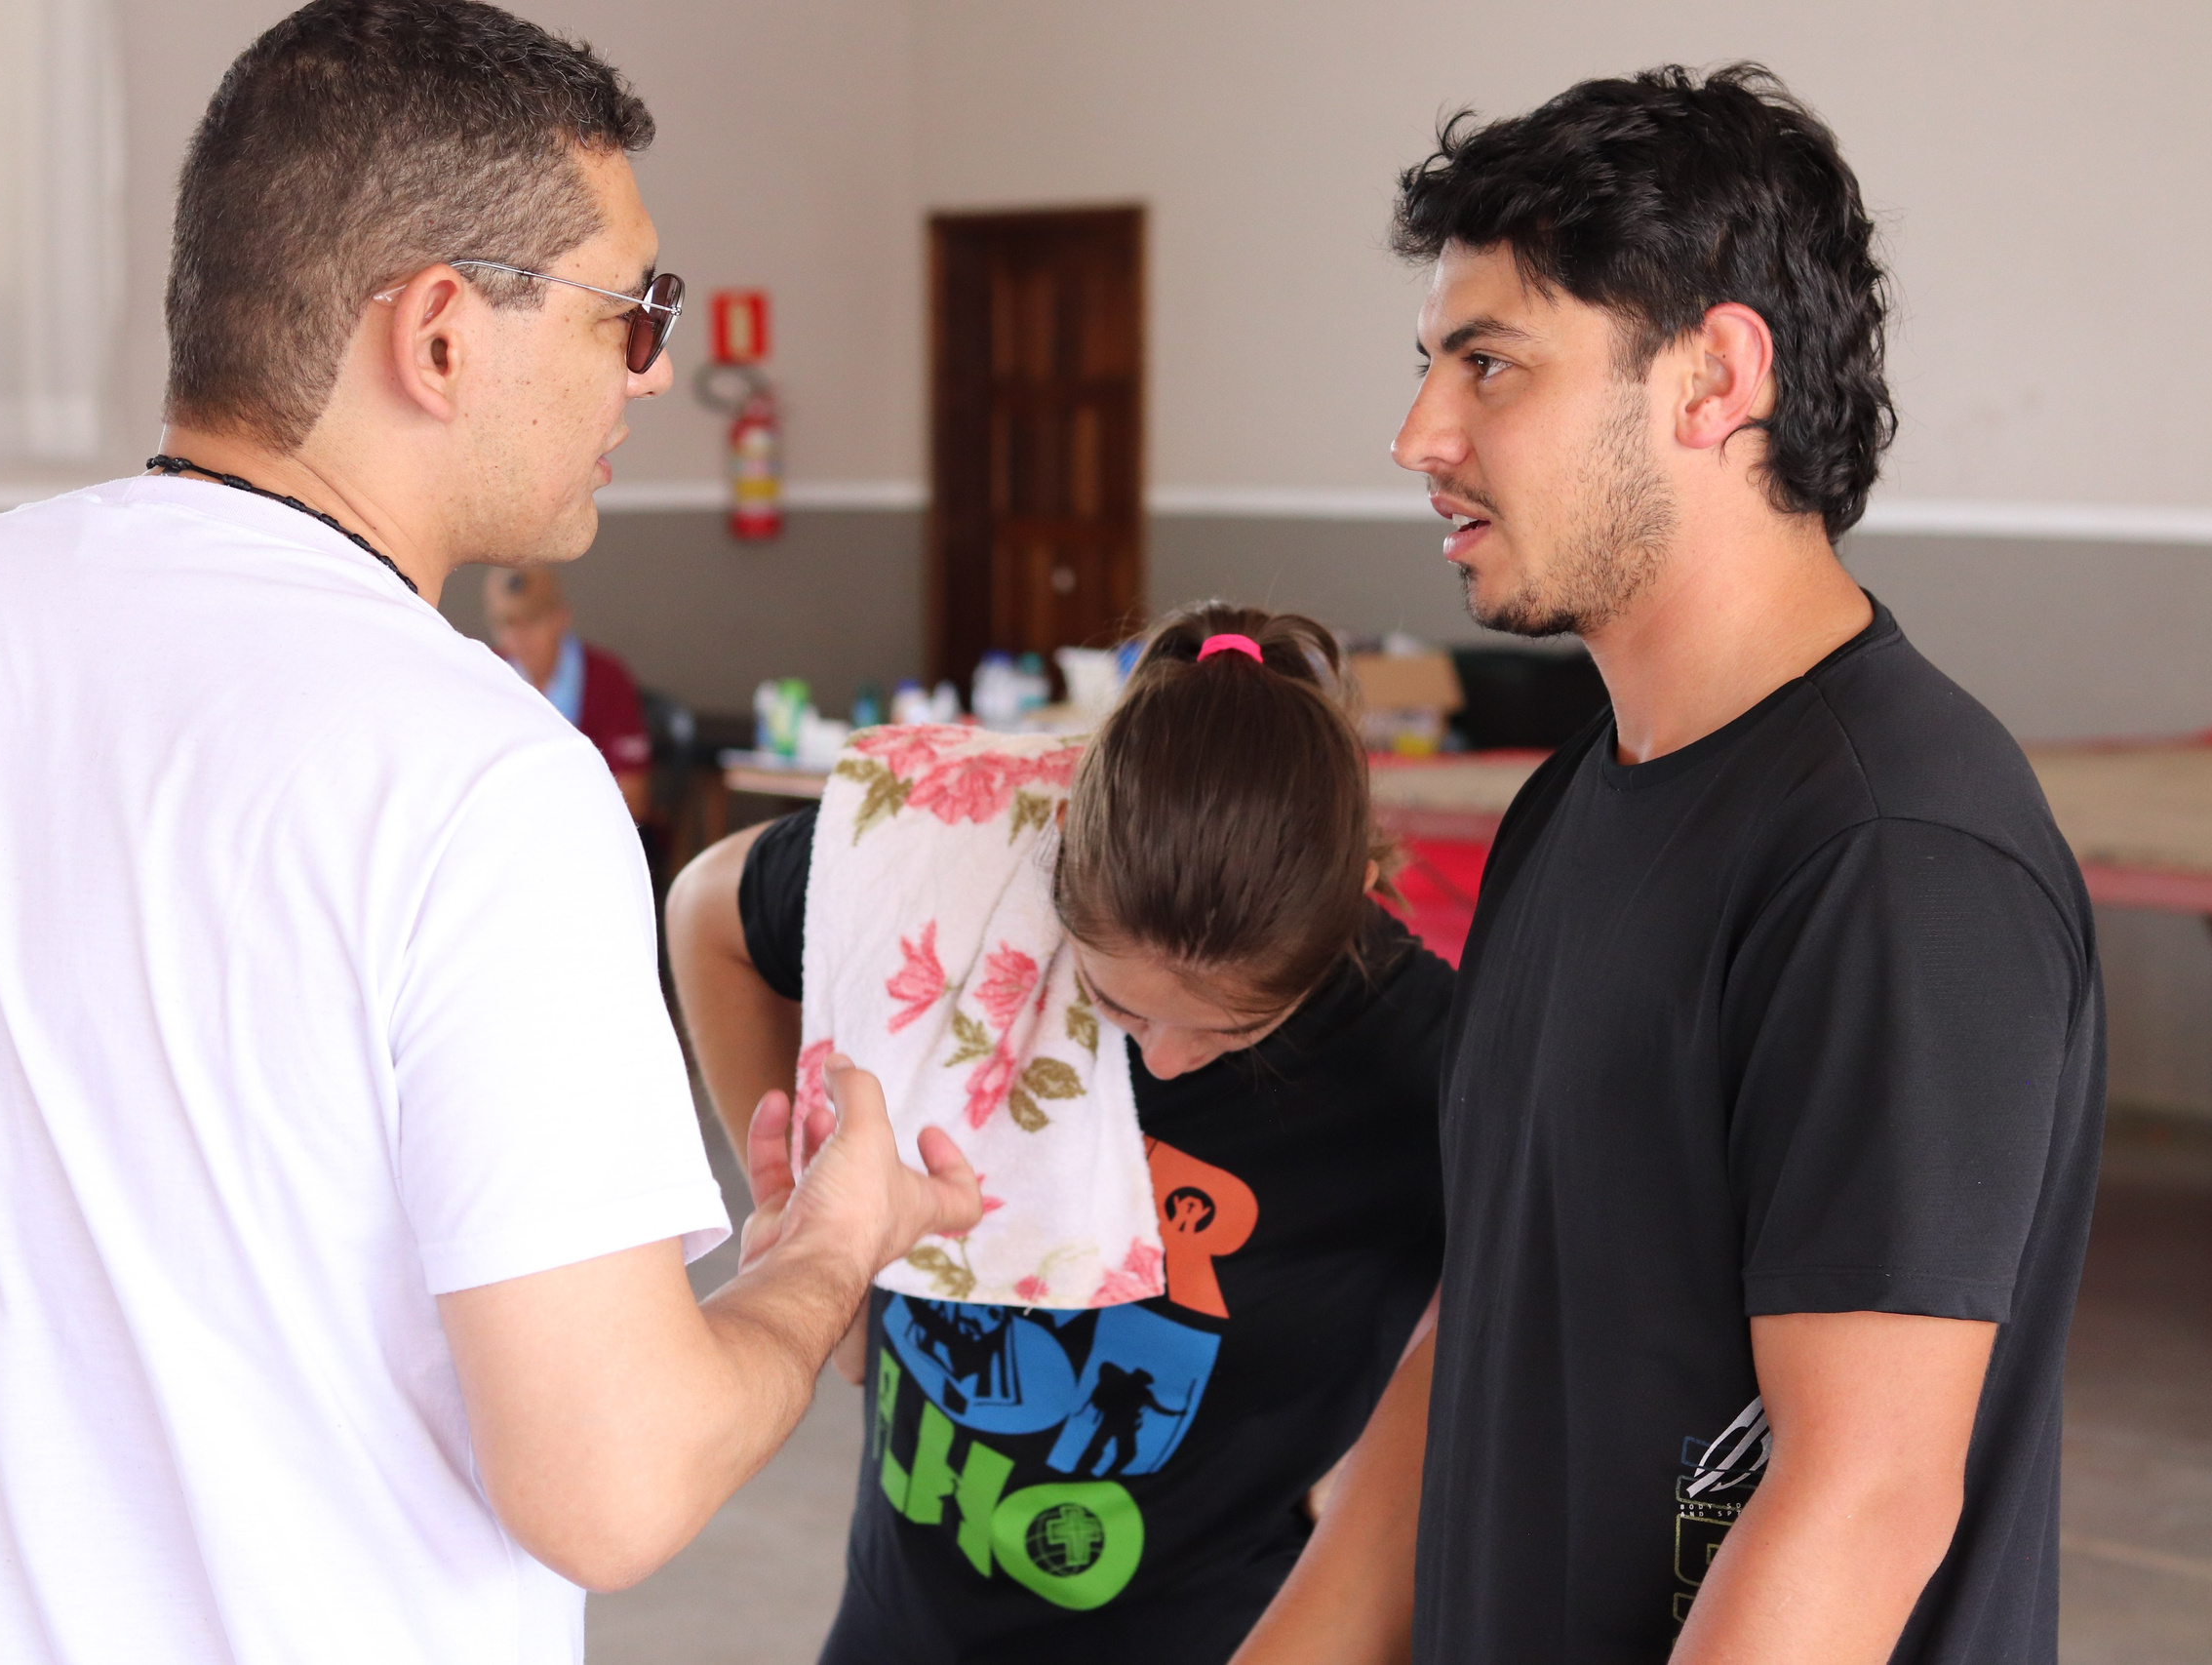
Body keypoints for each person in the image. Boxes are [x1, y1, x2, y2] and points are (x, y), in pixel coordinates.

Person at [0, 6, 978, 1663]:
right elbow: (613, 1481)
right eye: (631, 307)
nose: (656, 366)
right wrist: (825, 1251)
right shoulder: (477, 774)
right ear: (441, 334)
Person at [1236, 65, 2102, 1665]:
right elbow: (1479, 1330)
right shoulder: (1577, 800)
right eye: (1431, 365)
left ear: (1714, 379)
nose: (1420, 433)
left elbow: (1859, 1495)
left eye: (1491, 363)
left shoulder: (1893, 857)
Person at [669, 604, 1451, 1664]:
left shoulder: (1422, 1062)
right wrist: (819, 1232)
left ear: (1347, 904)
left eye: (1233, 1030)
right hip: (903, 1610)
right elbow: (706, 908)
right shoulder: (958, 882)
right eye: (1118, 1008)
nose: (1163, 1060)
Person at [488, 564, 654, 821]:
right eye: (507, 622)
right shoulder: (486, 675)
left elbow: (633, 797)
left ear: (561, 617)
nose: (520, 635)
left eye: (533, 619)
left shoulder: (607, 677)